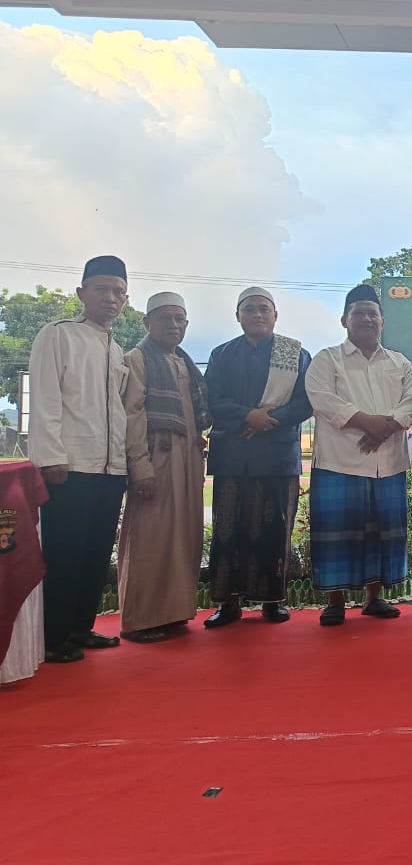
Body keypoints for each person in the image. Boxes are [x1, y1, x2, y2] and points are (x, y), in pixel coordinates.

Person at [27, 255, 131, 663]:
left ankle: (80, 627)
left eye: (118, 292)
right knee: (64, 554)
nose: (111, 298)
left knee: (95, 552)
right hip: (69, 466)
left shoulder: (116, 349)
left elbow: (118, 410)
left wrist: (122, 463)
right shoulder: (58, 334)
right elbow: (46, 399)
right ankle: (53, 638)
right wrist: (51, 457)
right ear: (81, 293)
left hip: (110, 468)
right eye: (102, 289)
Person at [305, 285, 412, 627]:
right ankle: (334, 602)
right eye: (359, 313)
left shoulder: (399, 362)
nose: (367, 319)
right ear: (344, 320)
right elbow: (322, 399)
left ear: (382, 321)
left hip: (387, 461)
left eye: (372, 314)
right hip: (340, 462)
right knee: (337, 533)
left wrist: (385, 428)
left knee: (381, 532)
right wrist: (369, 423)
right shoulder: (327, 359)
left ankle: (374, 598)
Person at [204, 287, 312, 627]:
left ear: (275, 315)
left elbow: (306, 401)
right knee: (227, 529)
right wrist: (248, 416)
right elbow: (211, 399)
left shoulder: (294, 353)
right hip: (233, 455)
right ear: (238, 316)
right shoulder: (221, 355)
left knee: (274, 530)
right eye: (249, 309)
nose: (257, 314)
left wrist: (270, 419)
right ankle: (229, 604)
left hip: (276, 455)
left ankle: (272, 600)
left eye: (264, 309)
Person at [117, 291, 211, 643]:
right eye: (165, 318)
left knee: (183, 535)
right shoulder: (137, 359)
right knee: (150, 536)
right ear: (147, 323)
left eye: (179, 319)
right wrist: (140, 467)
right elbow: (132, 416)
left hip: (187, 459)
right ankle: (139, 619)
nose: (174, 325)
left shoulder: (184, 362)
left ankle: (172, 612)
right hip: (155, 458)